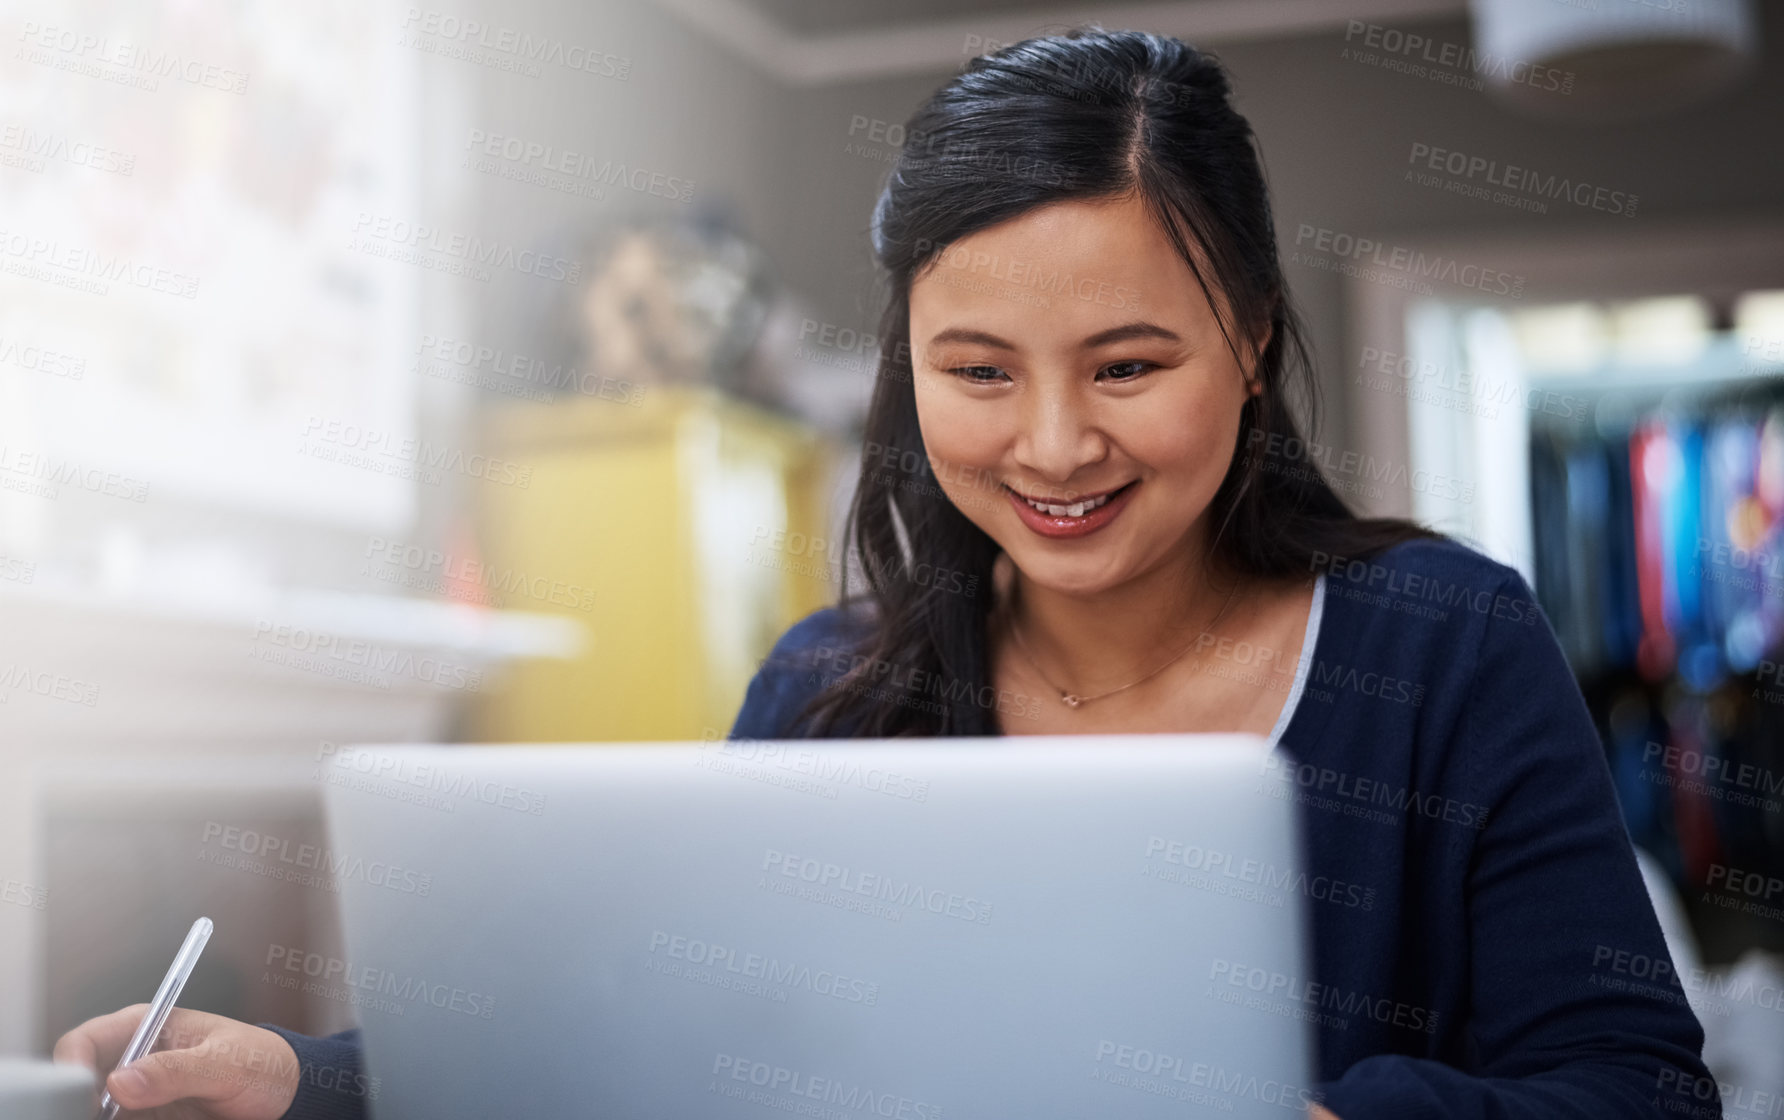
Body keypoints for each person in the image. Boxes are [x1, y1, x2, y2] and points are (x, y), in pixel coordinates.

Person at [56, 27, 1719, 1120]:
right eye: (977, 371)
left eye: (1129, 365)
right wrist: (302, 1079)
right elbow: (650, 1040)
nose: (1054, 446)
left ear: (1254, 342)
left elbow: (1637, 1087)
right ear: (905, 367)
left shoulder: (1441, 648)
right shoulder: (826, 683)